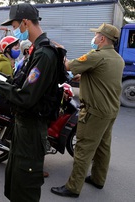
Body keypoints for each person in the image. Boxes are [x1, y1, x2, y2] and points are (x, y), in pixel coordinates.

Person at [0, 3, 61, 201]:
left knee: (26, 188)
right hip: (22, 128)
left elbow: (26, 96)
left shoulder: (44, 54)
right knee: (16, 184)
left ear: (25, 22)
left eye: (15, 25)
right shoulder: (36, 50)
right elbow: (21, 83)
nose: (15, 30)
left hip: (31, 131)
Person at [50, 23, 124, 198]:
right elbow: (103, 77)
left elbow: (67, 66)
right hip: (110, 110)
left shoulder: (96, 56)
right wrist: (84, 75)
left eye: (97, 35)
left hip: (94, 112)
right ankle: (98, 179)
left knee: (84, 148)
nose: (95, 37)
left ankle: (73, 187)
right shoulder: (117, 58)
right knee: (103, 146)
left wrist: (62, 52)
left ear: (103, 38)